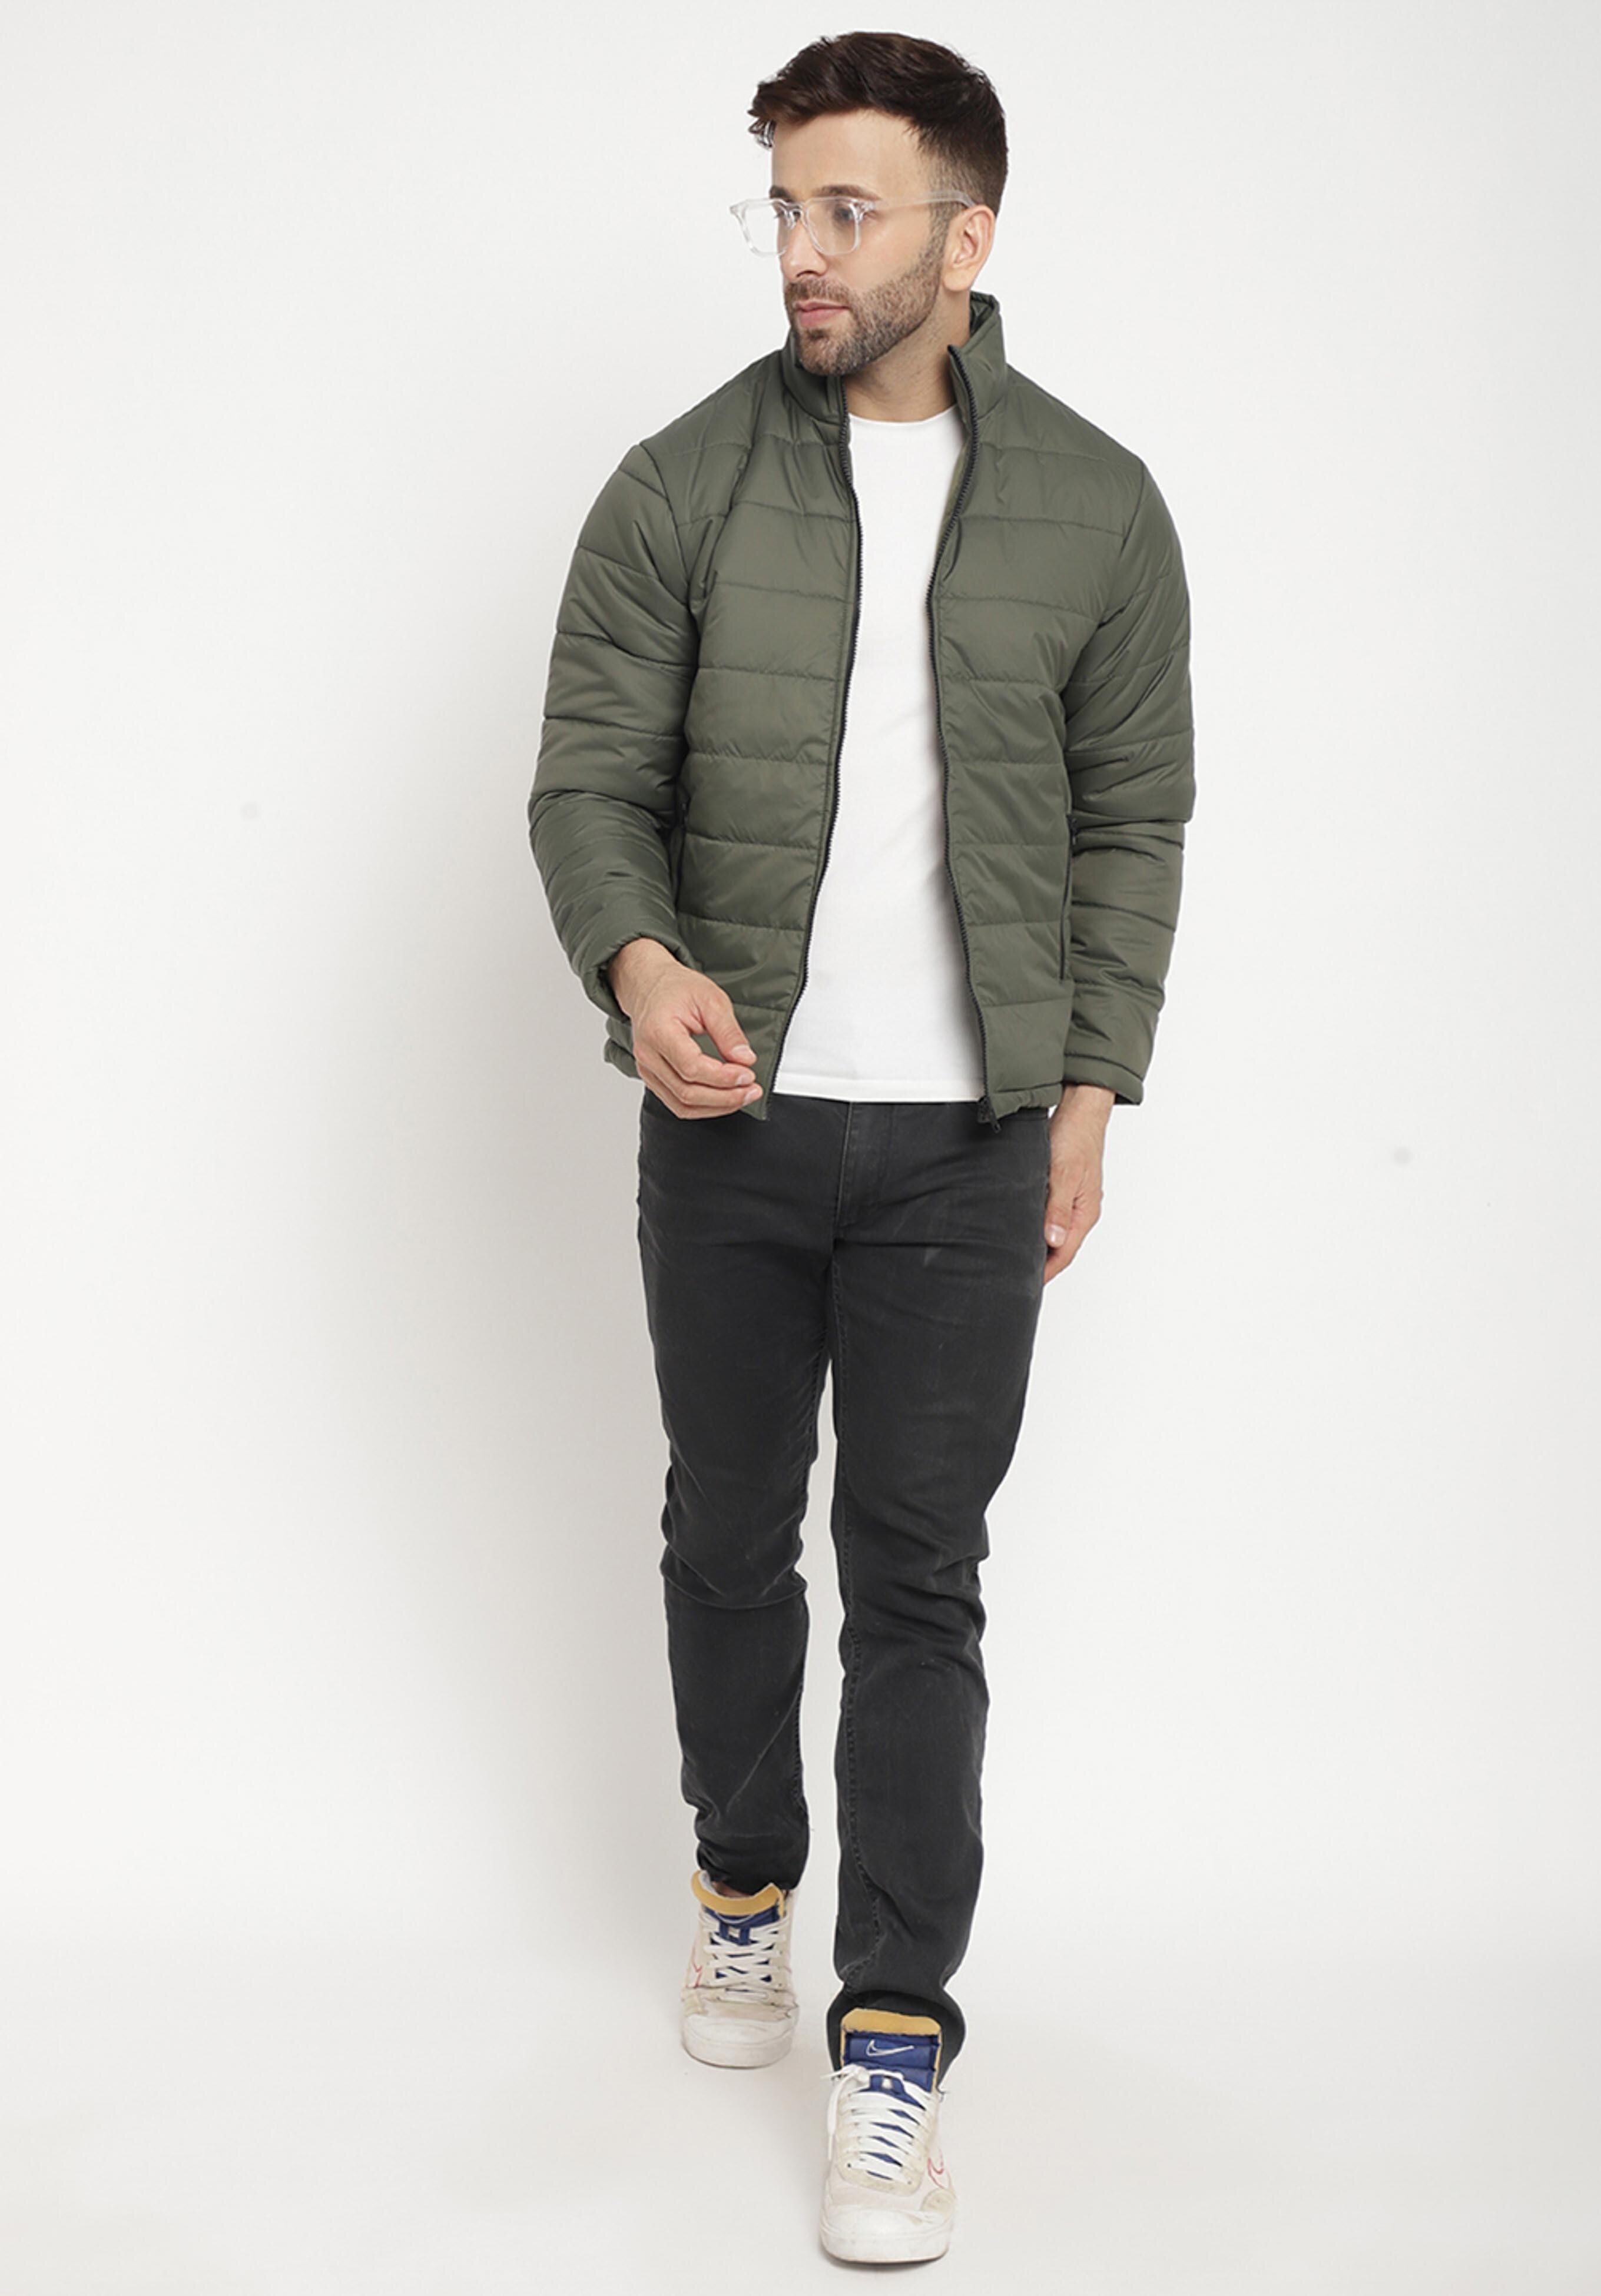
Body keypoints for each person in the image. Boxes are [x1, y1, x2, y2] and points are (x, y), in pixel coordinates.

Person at [528, 30, 1194, 2266]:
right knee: (730, 1533)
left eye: (846, 210)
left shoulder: (1098, 506)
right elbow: (588, 782)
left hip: (966, 1146)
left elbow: (1132, 826)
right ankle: (745, 1880)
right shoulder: (681, 482)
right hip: (732, 1120)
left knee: (918, 1575)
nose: (801, 252)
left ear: (963, 235)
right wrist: (639, 966)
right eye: (783, 209)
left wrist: (1086, 1095)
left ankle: (894, 2035)